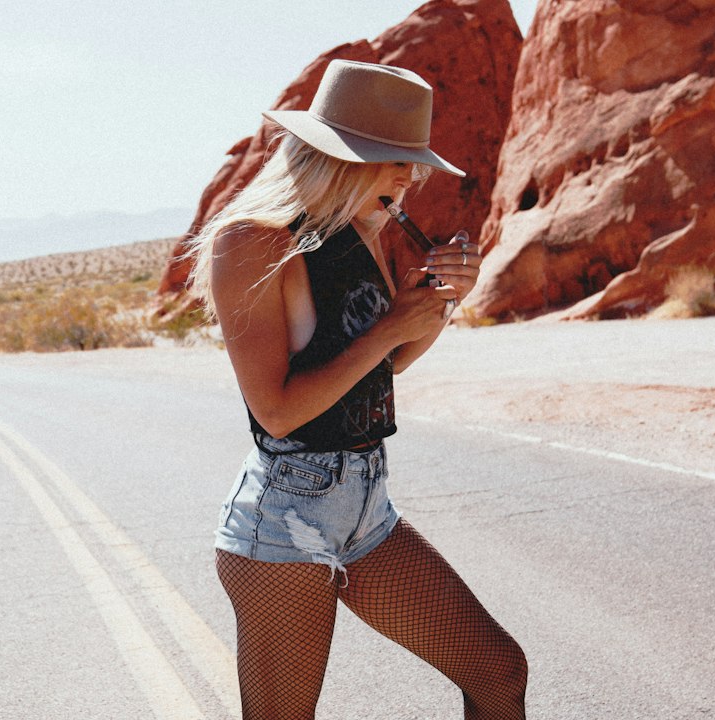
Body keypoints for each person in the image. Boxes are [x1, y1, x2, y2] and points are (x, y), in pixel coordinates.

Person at [185, 61, 528, 719]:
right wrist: (389, 327)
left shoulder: (359, 233)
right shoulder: (250, 242)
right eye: (391, 159)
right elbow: (279, 410)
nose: (408, 176)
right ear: (335, 156)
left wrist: (440, 304)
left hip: (365, 508)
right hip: (285, 519)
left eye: (411, 161)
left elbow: (387, 366)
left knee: (499, 672)